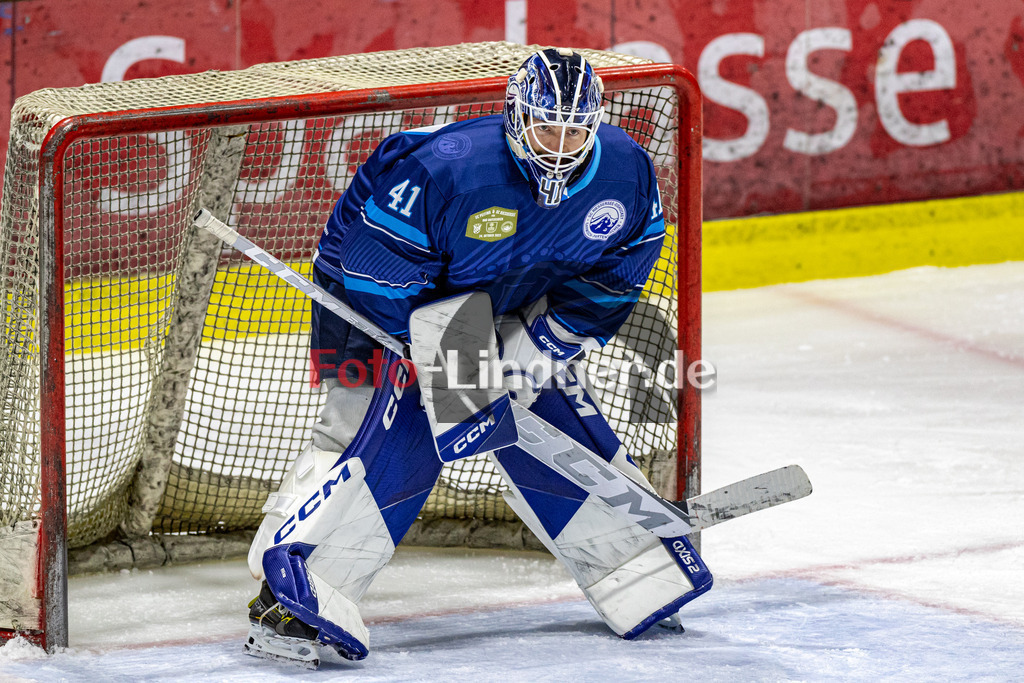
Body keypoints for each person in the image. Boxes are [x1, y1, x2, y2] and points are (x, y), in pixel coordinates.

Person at [244, 47, 713, 667]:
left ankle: (632, 565)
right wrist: (447, 366)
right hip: (379, 297)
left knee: (547, 405)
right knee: (392, 425)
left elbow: (619, 270)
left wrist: (548, 341)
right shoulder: (446, 170)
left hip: (511, 287)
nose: (561, 144)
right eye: (548, 126)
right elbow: (373, 276)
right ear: (517, 116)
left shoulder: (622, 171)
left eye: (576, 129)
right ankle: (294, 593)